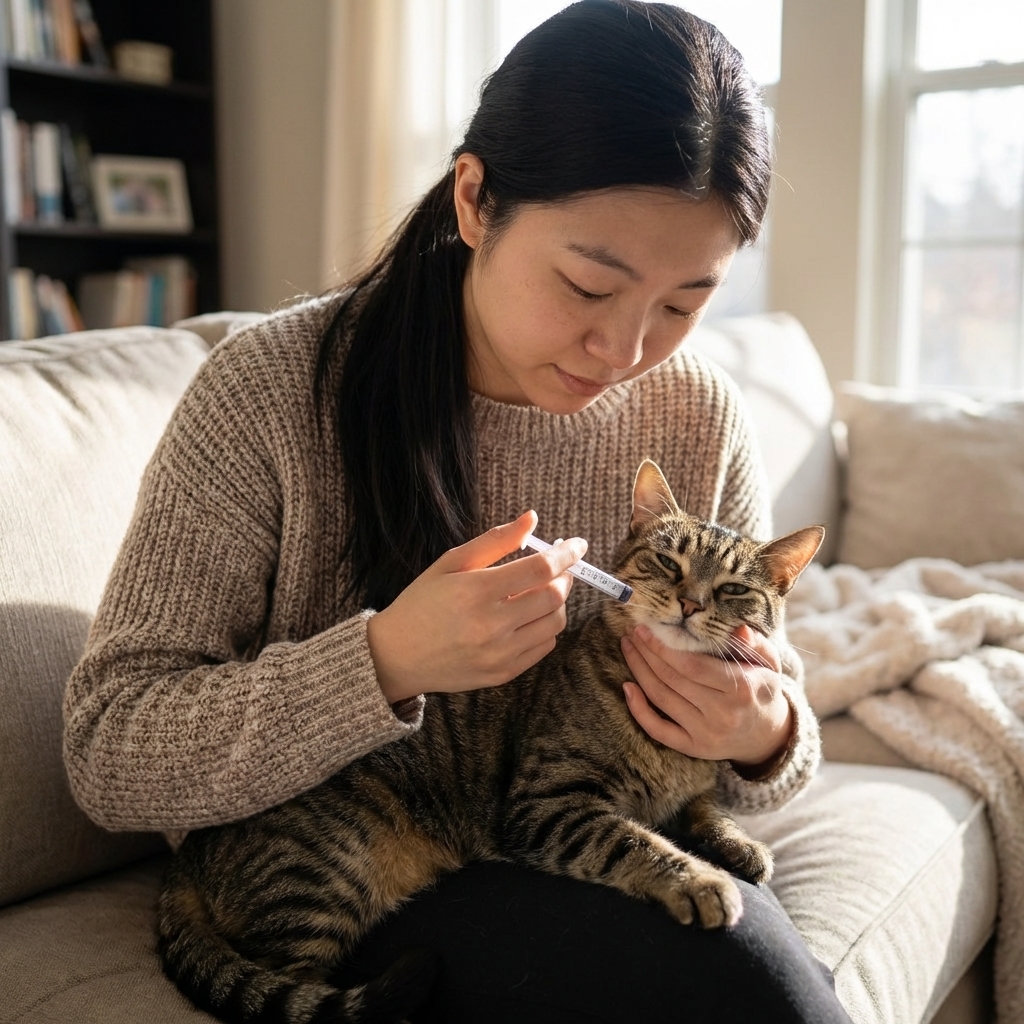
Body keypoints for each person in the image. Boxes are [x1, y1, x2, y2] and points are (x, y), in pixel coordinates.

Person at [64, 3, 852, 1021]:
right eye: (586, 284)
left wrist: (765, 729)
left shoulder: (694, 412)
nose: (623, 350)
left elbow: (767, 711)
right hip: (375, 850)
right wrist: (382, 659)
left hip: (581, 826)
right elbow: (109, 753)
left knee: (759, 966)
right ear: (475, 199)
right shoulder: (268, 391)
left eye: (682, 303)